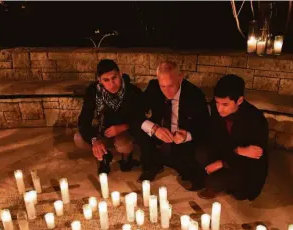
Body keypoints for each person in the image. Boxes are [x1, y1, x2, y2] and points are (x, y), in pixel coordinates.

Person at [136, 61, 209, 190]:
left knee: (190, 168)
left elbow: (205, 126)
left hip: (182, 138)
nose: (167, 91)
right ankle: (152, 165)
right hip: (160, 133)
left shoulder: (194, 94)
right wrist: (154, 128)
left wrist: (187, 135)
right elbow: (135, 113)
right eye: (162, 86)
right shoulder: (153, 87)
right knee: (141, 129)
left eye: (171, 85)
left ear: (180, 77)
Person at [197, 74, 269, 201]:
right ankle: (217, 179)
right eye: (217, 102)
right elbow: (214, 138)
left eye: (225, 104)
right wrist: (239, 150)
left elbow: (254, 158)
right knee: (201, 152)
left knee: (228, 187)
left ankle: (219, 181)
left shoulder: (255, 120)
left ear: (239, 101)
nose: (219, 109)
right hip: (228, 153)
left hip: (244, 166)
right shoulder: (216, 107)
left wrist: (222, 162)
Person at [74, 59, 142, 174]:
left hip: (123, 132)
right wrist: (94, 140)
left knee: (123, 144)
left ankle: (127, 158)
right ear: (99, 81)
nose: (112, 83)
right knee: (79, 138)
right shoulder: (93, 92)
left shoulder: (132, 91)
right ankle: (105, 156)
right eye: (106, 80)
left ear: (120, 74)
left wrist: (123, 127)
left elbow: (141, 118)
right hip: (101, 129)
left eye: (114, 78)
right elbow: (84, 120)